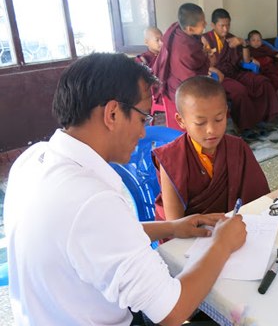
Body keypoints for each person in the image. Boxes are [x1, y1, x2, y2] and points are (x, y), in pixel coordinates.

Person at [4, 53, 246, 325]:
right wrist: (222, 244)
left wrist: (172, 227)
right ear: (113, 113)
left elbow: (94, 238)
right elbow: (172, 312)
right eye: (143, 119)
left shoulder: (33, 159)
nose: (143, 134)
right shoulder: (91, 199)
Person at [153, 76, 270, 221]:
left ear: (226, 113)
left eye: (219, 119)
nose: (211, 130)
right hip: (194, 236)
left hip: (236, 226)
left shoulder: (237, 148)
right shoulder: (171, 158)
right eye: (200, 123)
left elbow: (258, 200)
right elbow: (175, 225)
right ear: (181, 121)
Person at [203, 8, 278, 134]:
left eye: (228, 25)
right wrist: (214, 70)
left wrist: (243, 43)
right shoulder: (206, 39)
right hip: (220, 77)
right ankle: (244, 125)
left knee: (262, 81)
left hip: (236, 72)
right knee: (240, 91)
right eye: (222, 26)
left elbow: (245, 60)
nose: (225, 29)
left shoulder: (232, 38)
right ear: (213, 25)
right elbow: (201, 63)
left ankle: (263, 118)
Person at [152, 3, 221, 130]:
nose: (205, 24)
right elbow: (190, 79)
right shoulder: (184, 50)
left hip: (180, 80)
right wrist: (207, 59)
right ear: (190, 29)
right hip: (181, 88)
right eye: (202, 23)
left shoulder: (178, 28)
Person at [247, 29, 278, 99]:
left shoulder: (264, 48)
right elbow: (246, 58)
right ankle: (276, 99)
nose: (256, 42)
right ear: (248, 42)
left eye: (258, 40)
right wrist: (252, 59)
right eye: (253, 40)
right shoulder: (248, 50)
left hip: (271, 65)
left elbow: (274, 54)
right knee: (274, 79)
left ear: (262, 41)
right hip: (262, 69)